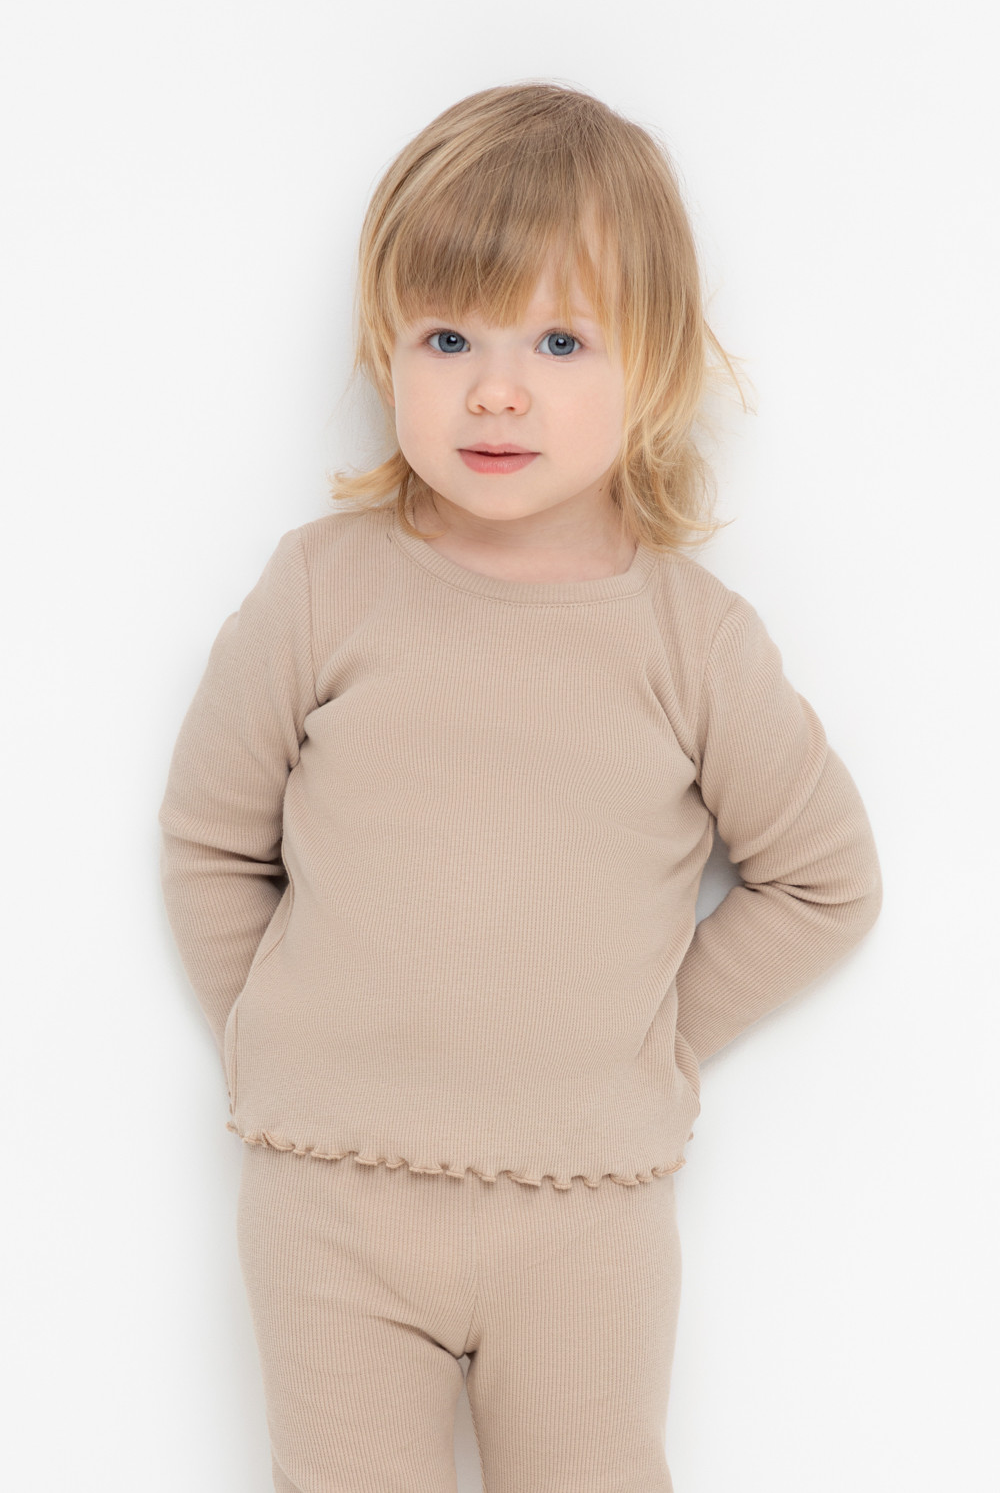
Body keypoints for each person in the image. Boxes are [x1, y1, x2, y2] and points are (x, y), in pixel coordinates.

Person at [158, 80, 882, 1493]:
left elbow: (825, 881)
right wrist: (270, 1034)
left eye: (560, 340)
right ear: (385, 349)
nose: (496, 389)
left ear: (653, 364)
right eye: (449, 338)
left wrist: (656, 1043)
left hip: (585, 1213)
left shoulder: (691, 639)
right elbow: (210, 840)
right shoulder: (321, 590)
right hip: (330, 1198)